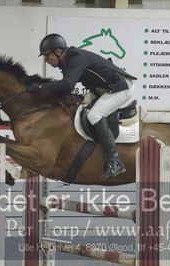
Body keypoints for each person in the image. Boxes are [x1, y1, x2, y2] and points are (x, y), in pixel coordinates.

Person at [28, 33, 137, 179]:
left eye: (47, 57)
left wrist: (41, 87)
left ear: (58, 52)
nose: (47, 61)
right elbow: (66, 89)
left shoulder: (76, 58)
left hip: (121, 88)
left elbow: (67, 84)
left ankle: (115, 162)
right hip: (105, 89)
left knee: (94, 115)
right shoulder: (67, 62)